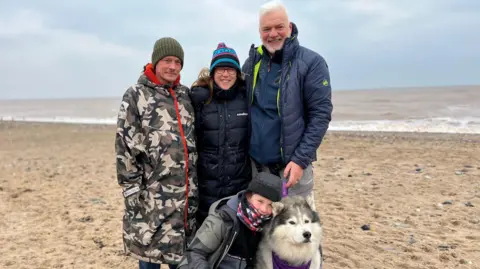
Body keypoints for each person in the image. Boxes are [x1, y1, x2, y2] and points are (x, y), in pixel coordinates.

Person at [115, 37, 198, 269]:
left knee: (180, 257)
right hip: (152, 196)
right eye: (167, 61)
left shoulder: (185, 96)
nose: (172, 67)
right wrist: (132, 188)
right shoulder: (135, 95)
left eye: (177, 62)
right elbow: (125, 145)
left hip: (185, 197)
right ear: (155, 62)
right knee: (149, 253)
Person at [242, 0, 333, 210]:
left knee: (298, 235)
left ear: (289, 27)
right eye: (266, 29)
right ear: (259, 32)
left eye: (279, 27)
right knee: (263, 235)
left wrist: (301, 160)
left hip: (293, 171)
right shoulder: (252, 64)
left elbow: (321, 115)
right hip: (258, 170)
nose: (273, 34)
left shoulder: (312, 62)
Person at [189, 42, 252, 227]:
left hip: (239, 183)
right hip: (206, 184)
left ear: (237, 73)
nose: (226, 74)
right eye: (221, 69)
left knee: (233, 236)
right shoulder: (199, 99)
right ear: (213, 72)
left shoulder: (246, 97)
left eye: (231, 69)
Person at [177, 171, 283, 269]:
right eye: (260, 201)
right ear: (248, 196)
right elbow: (195, 252)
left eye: (270, 205)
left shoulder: (271, 225)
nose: (264, 209)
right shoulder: (223, 219)